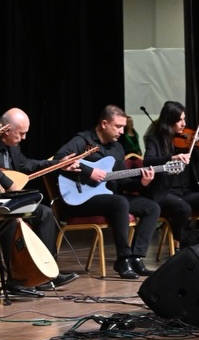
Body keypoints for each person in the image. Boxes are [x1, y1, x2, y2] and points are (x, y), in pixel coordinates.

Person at [0, 107, 79, 289]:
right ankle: (16, 279)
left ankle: (48, 273)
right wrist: (8, 183)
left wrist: (57, 164)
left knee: (45, 213)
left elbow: (26, 165)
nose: (24, 138)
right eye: (20, 133)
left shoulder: (14, 146)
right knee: (10, 219)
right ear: (5, 129)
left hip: (7, 203)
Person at [55, 105, 161, 279]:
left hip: (110, 198)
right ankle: (123, 259)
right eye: (118, 126)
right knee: (120, 202)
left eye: (123, 127)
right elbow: (60, 160)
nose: (121, 131)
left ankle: (135, 257)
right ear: (104, 124)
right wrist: (89, 172)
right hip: (81, 199)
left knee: (152, 207)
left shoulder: (117, 148)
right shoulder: (82, 140)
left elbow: (122, 181)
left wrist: (142, 183)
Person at [143, 101, 199, 248]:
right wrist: (172, 157)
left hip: (186, 192)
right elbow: (148, 161)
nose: (184, 124)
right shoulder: (155, 140)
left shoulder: (189, 141)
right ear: (169, 120)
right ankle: (184, 244)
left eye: (184, 119)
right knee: (183, 208)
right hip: (165, 193)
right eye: (179, 120)